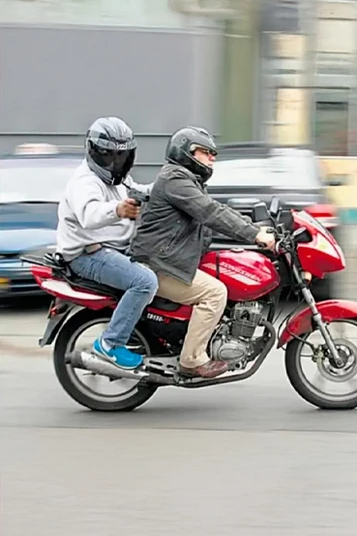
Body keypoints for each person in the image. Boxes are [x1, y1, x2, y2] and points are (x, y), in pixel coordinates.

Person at [129, 126, 276, 379]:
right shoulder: (175, 180)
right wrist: (255, 235)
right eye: (206, 152)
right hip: (159, 264)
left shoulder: (185, 181)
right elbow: (210, 213)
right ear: (187, 152)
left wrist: (255, 229)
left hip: (170, 258)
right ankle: (192, 360)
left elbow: (214, 213)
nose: (212, 158)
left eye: (212, 153)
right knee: (215, 293)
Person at [56, 117, 159, 370]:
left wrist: (169, 187)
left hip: (114, 248)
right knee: (145, 281)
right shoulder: (85, 181)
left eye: (121, 156)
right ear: (94, 152)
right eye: (109, 156)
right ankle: (111, 344)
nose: (116, 162)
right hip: (88, 255)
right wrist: (118, 210)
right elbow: (89, 215)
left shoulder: (118, 178)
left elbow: (139, 191)